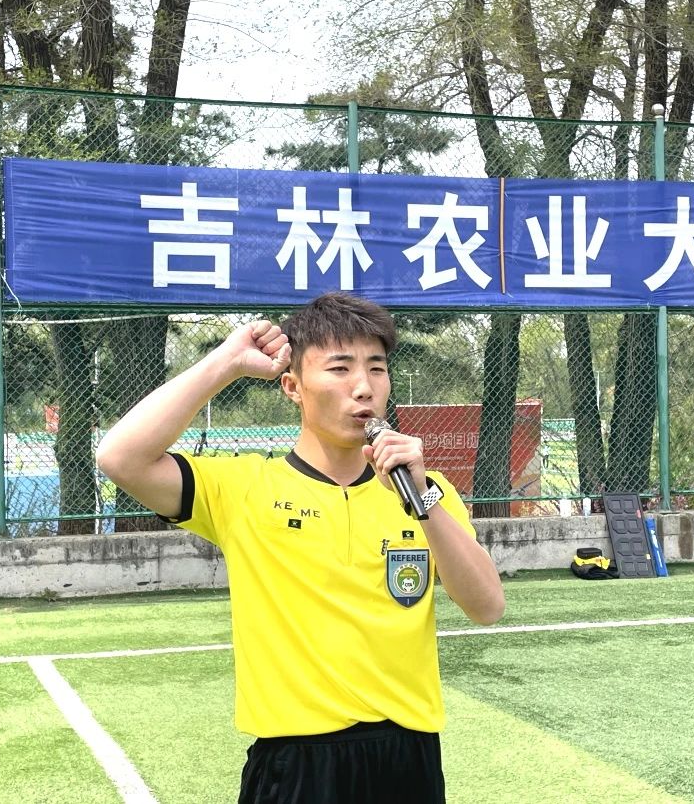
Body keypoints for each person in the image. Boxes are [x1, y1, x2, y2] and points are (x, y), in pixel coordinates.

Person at [96, 292, 504, 804]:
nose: (364, 386)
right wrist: (226, 363)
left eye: (377, 368)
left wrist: (421, 500)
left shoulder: (428, 491)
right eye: (340, 368)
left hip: (408, 758)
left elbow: (487, 607)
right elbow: (120, 457)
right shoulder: (244, 487)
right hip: (295, 765)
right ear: (293, 386)